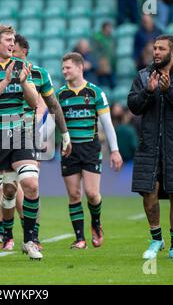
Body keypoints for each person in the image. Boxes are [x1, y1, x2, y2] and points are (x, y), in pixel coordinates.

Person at [0, 24, 70, 261]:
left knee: (31, 185)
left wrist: (24, 82)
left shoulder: (23, 66)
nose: (12, 44)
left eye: (13, 40)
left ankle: (29, 241)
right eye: (7, 40)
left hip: (21, 133)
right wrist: (5, 81)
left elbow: (35, 101)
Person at [127, 31, 173, 260]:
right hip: (149, 145)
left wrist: (169, 90)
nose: (155, 52)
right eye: (154, 48)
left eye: (161, 49)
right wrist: (148, 92)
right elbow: (133, 106)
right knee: (149, 193)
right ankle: (156, 238)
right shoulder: (143, 76)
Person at [0, 33, 71, 252]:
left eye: (14, 49)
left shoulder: (38, 74)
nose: (11, 52)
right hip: (0, 139)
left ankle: (32, 236)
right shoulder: (0, 73)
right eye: (9, 48)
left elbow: (52, 105)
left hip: (28, 139)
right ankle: (8, 234)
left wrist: (64, 135)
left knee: (31, 185)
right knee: (9, 189)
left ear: (24, 52)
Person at [57, 52, 123, 249]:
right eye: (63, 68)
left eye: (67, 67)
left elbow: (108, 125)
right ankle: (80, 239)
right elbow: (51, 123)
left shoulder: (95, 93)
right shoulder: (60, 94)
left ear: (80, 67)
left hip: (90, 148)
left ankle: (96, 223)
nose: (64, 71)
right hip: (69, 150)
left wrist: (115, 150)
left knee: (93, 194)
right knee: (74, 195)